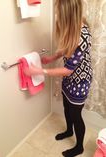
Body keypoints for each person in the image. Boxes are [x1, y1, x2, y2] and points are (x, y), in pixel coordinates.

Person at [25, 0, 92, 156]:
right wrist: (52, 57)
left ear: (69, 13)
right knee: (67, 107)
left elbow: (68, 70)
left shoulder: (83, 34)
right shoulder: (73, 29)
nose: (57, 15)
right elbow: (67, 49)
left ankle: (79, 146)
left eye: (59, 12)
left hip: (80, 81)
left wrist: (40, 71)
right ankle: (69, 131)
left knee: (76, 115)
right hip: (69, 79)